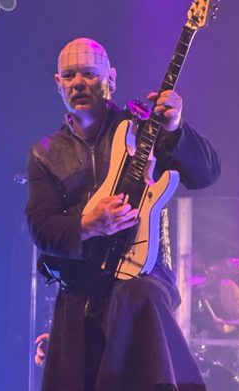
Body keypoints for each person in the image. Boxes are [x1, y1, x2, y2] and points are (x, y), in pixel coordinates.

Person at [25, 37, 221, 391]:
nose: (79, 82)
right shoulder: (45, 154)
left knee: (137, 299)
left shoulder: (144, 129)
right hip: (81, 291)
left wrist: (176, 128)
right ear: (58, 83)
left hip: (142, 280)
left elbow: (206, 174)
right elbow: (43, 229)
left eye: (89, 73)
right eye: (69, 75)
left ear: (111, 79)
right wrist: (88, 225)